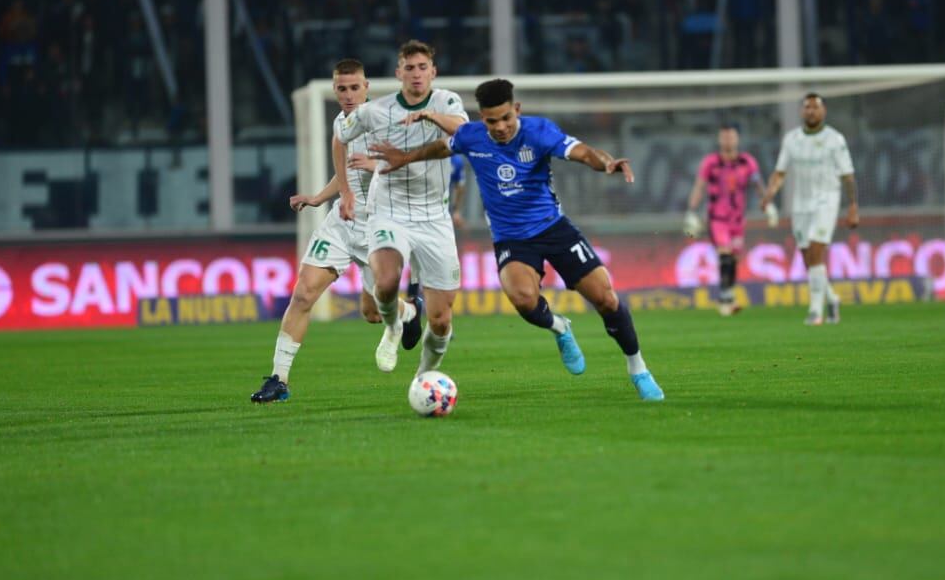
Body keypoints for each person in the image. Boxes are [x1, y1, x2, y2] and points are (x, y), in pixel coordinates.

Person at [367, 78, 665, 401]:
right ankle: (560, 327)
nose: (501, 127)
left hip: (553, 228)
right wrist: (405, 157)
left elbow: (582, 152)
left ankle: (638, 368)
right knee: (523, 299)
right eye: (492, 120)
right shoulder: (472, 136)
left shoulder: (538, 132)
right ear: (482, 119)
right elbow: (443, 147)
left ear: (517, 110)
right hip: (511, 239)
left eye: (506, 118)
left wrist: (606, 162)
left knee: (606, 299)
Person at [251, 58, 422, 403]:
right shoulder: (341, 123)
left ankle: (409, 312)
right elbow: (346, 175)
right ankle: (278, 379)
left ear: (367, 87)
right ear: (335, 89)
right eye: (341, 89)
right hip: (342, 225)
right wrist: (321, 196)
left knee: (373, 312)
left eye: (354, 87)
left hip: (380, 228)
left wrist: (377, 166)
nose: (348, 95)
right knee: (303, 295)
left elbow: (412, 169)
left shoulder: (386, 120)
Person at [335, 39, 469, 374]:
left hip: (434, 218)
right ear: (399, 73)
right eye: (409, 68)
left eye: (423, 67)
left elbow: (465, 133)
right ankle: (394, 325)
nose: (416, 74)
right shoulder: (374, 111)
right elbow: (341, 134)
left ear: (433, 72)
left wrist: (429, 115)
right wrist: (345, 189)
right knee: (387, 280)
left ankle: (424, 376)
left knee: (440, 319)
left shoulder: (447, 101)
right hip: (389, 210)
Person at [763, 93, 859, 326]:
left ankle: (816, 311)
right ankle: (832, 298)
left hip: (826, 201)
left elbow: (847, 175)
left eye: (816, 107)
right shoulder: (792, 139)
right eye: (807, 107)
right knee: (808, 258)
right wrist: (770, 193)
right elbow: (781, 171)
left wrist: (853, 206)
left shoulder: (835, 139)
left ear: (823, 111)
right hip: (801, 204)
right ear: (801, 111)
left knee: (816, 252)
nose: (811, 111)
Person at [684, 123, 775, 316]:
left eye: (731, 137)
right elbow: (699, 187)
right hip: (717, 218)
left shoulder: (747, 162)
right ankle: (725, 299)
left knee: (733, 258)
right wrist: (691, 211)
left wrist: (769, 206)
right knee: (724, 253)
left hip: (738, 219)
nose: (728, 140)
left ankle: (729, 295)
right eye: (724, 137)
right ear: (719, 140)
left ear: (737, 139)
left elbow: (758, 185)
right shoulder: (711, 162)